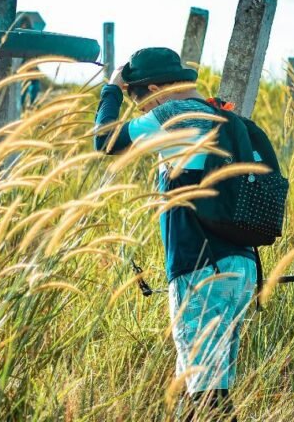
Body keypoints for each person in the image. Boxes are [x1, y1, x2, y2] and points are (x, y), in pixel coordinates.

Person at [93, 47, 256, 419]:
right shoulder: (226, 115)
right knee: (208, 387)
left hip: (199, 267)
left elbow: (105, 140)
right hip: (242, 266)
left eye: (139, 102)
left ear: (154, 90)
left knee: (207, 396)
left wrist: (113, 89)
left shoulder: (173, 113)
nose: (142, 111)